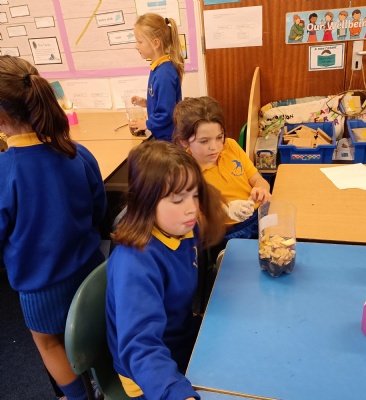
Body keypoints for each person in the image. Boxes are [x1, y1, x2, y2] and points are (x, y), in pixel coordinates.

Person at [0, 55, 107, 400]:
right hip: (92, 270)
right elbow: (100, 210)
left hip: (41, 287)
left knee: (49, 344)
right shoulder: (77, 152)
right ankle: (103, 383)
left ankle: (78, 397)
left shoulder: (5, 170)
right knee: (91, 332)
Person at [106, 140, 226, 399]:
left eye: (194, 195)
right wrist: (177, 393)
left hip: (180, 338)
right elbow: (141, 347)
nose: (191, 208)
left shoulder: (183, 228)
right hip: (150, 374)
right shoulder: (134, 263)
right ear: (146, 202)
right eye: (178, 199)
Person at [173, 96, 272, 260]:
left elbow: (258, 179)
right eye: (204, 141)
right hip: (226, 232)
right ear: (184, 142)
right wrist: (226, 211)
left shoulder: (230, 146)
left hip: (259, 216)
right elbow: (198, 225)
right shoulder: (186, 173)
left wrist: (261, 190)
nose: (215, 147)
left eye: (219, 137)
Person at [129, 13, 184, 141]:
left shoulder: (164, 74)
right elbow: (163, 102)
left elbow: (167, 113)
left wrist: (147, 124)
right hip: (163, 136)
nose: (136, 46)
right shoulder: (158, 68)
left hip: (168, 139)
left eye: (140, 41)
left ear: (156, 43)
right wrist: (146, 103)